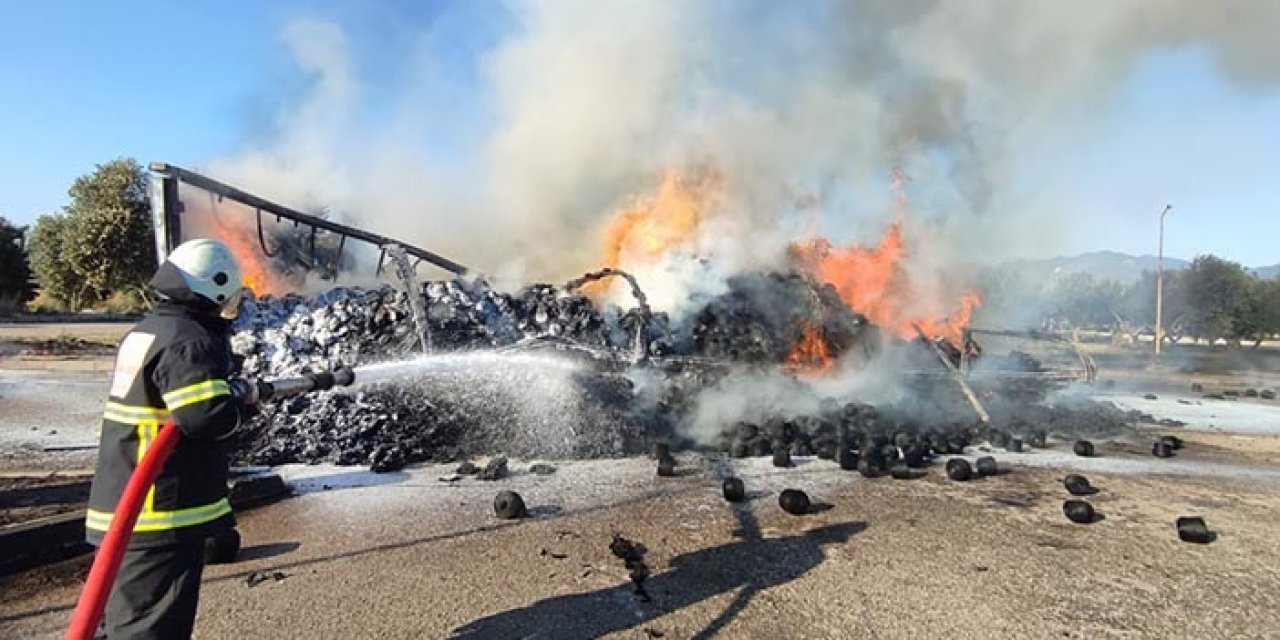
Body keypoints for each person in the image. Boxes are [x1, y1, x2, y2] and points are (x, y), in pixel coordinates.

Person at [86, 238, 260, 639]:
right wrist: (239, 399)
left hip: (126, 498)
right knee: (149, 628)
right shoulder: (189, 340)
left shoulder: (150, 329)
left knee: (119, 619)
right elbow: (206, 418)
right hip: (158, 509)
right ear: (211, 288)